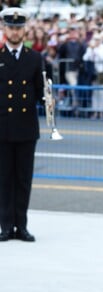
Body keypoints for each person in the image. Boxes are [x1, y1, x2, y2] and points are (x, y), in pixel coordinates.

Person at [0, 7, 44, 242]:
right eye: (10, 27)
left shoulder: (34, 57)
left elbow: (40, 91)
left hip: (26, 128)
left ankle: (22, 226)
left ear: (24, 30)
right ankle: (5, 226)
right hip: (3, 128)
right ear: (4, 28)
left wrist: (49, 99)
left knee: (23, 180)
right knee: (4, 180)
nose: (15, 32)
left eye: (18, 28)